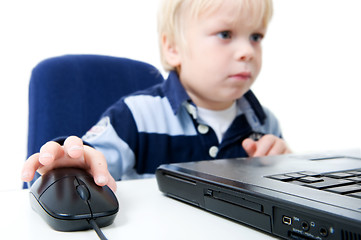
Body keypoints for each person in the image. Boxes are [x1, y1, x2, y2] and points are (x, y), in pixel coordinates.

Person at [22, 0, 291, 192]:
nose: (247, 51)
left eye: (256, 36)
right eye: (225, 34)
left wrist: (288, 168)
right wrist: (76, 162)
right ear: (173, 47)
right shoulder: (136, 115)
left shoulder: (265, 124)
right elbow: (94, 161)